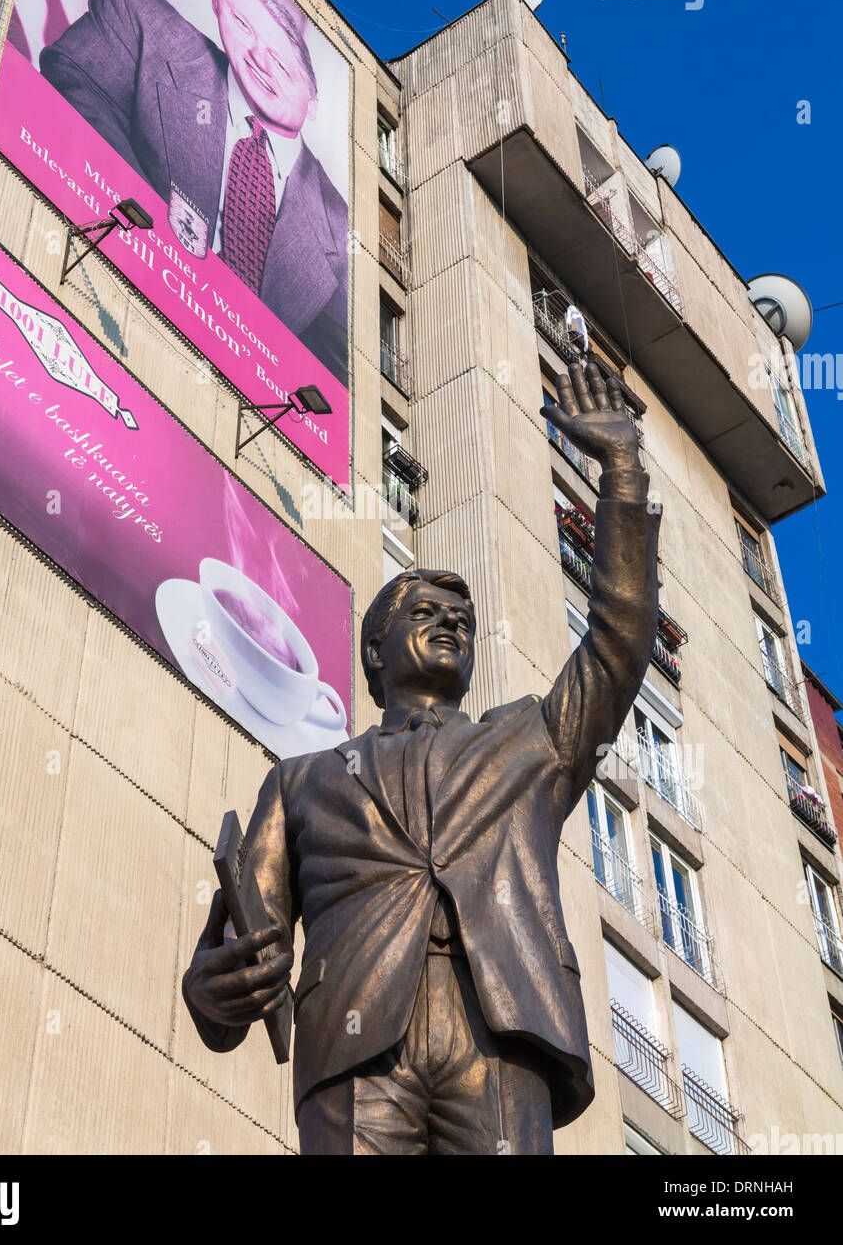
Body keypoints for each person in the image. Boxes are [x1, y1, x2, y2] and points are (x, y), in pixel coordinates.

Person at [183, 361, 661, 1154]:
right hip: (354, 1040)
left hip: (502, 1032)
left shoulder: (530, 742)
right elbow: (242, 942)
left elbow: (618, 643)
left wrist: (618, 474)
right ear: (374, 653)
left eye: (462, 621)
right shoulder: (300, 782)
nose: (449, 626)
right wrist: (211, 990)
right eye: (426, 613)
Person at [40, 0, 349, 384]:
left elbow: (339, 379)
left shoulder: (343, 230)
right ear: (217, 8)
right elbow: (72, 77)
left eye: (283, 63)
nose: (260, 60)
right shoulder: (144, 22)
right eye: (243, 25)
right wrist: (161, 249)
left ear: (313, 104)